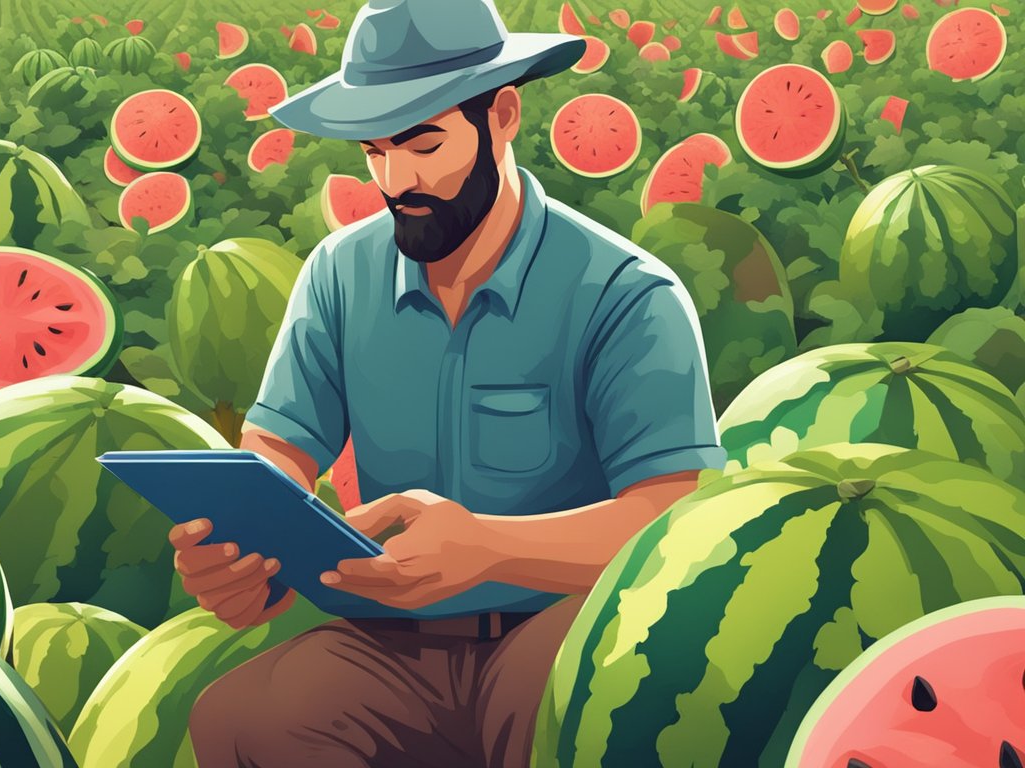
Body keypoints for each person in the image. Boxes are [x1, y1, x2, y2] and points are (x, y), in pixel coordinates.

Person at [175, 0, 727, 764]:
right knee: (241, 719)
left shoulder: (626, 292)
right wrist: (243, 552)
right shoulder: (339, 274)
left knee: (563, 711)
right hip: (391, 643)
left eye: (423, 143)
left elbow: (680, 513)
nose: (397, 180)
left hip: (563, 622)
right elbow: (276, 449)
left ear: (502, 115)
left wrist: (493, 549)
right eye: (374, 151)